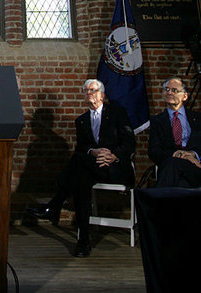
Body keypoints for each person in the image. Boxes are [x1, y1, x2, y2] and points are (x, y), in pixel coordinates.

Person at [28, 78, 135, 257]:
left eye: (92, 90)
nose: (88, 94)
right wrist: (94, 152)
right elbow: (82, 148)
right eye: (86, 91)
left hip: (115, 168)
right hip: (93, 168)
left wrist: (112, 155)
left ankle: (54, 205)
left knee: (78, 165)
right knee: (81, 181)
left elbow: (130, 142)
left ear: (102, 94)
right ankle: (83, 241)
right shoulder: (82, 120)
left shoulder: (117, 113)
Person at [148, 76, 201, 188]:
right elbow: (154, 151)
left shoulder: (198, 119)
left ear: (185, 96)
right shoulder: (157, 121)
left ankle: (156, 201)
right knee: (181, 182)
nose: (169, 93)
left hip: (195, 168)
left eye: (174, 90)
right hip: (171, 167)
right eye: (166, 89)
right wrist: (178, 155)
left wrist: (193, 155)